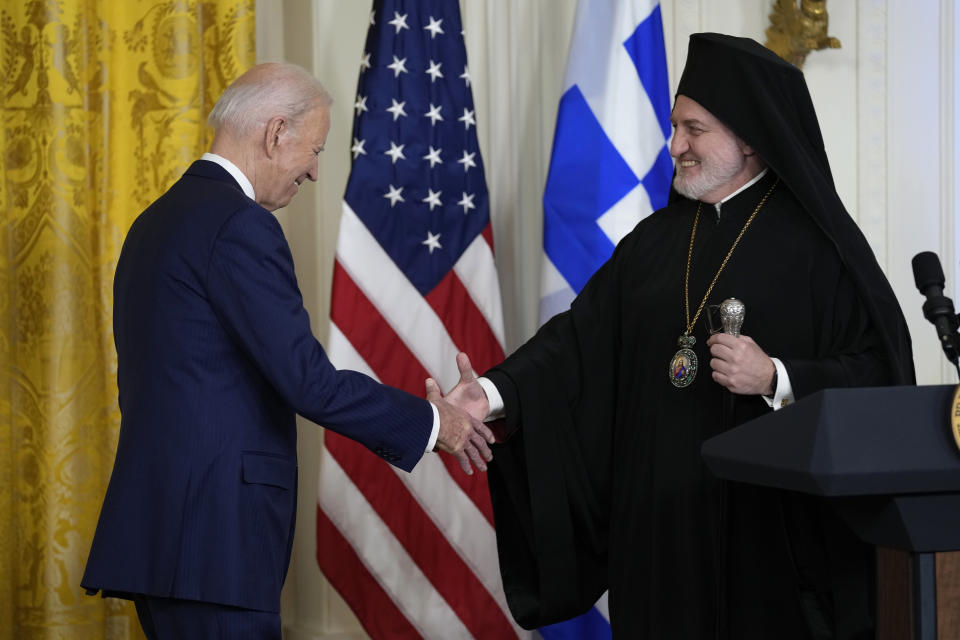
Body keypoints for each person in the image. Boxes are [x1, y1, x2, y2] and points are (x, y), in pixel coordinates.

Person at [441, 34, 914, 639]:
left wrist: (779, 378)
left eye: (694, 129)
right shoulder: (654, 242)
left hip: (767, 544)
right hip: (658, 535)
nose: (674, 146)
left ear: (747, 137)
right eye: (674, 126)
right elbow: (575, 346)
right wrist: (491, 393)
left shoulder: (819, 250)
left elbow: (880, 371)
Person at [81, 62, 493, 639]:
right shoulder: (239, 224)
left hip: (165, 540)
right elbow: (308, 382)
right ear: (276, 133)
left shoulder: (154, 223)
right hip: (215, 545)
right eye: (316, 150)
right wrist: (435, 422)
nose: (317, 172)